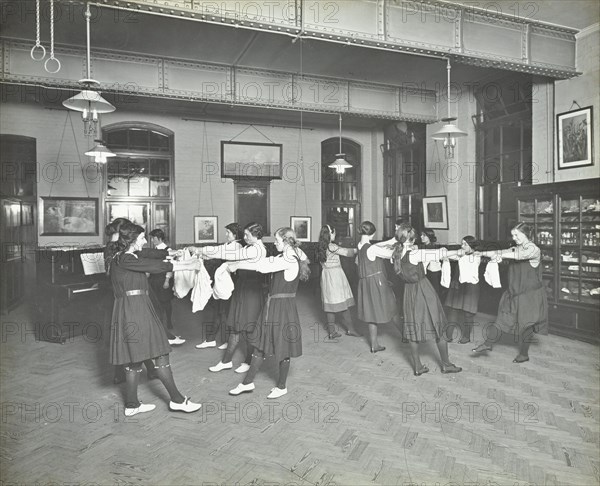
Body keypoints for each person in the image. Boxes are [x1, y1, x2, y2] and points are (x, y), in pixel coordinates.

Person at [106, 221, 203, 416]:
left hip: (132, 308)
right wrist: (187, 264)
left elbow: (151, 257)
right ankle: (177, 400)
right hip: (136, 309)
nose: (144, 241)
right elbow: (155, 265)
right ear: (132, 241)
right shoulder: (125, 258)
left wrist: (175, 256)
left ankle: (132, 405)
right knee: (160, 353)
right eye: (141, 238)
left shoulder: (124, 256)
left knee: (135, 359)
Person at [225, 227, 310, 398]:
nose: (275, 243)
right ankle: (247, 383)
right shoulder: (293, 254)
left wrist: (236, 264)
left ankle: (281, 386)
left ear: (286, 242)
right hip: (274, 305)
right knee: (260, 343)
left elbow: (261, 266)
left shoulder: (289, 259)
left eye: (278, 241)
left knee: (282, 346)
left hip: (282, 308)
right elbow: (298, 253)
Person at [192, 222, 267, 374]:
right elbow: (225, 252)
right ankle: (229, 361)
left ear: (256, 235)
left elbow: (231, 255)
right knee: (237, 326)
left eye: (247, 235)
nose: (244, 237)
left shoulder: (257, 249)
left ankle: (245, 361)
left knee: (248, 327)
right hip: (243, 288)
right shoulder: (250, 247)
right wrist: (202, 253)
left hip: (251, 291)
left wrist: (201, 249)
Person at [392, 224, 464, 376]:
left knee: (412, 329)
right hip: (423, 289)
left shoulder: (396, 253)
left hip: (409, 292)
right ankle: (446, 364)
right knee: (439, 325)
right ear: (412, 238)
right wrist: (459, 251)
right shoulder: (414, 254)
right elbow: (436, 254)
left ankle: (417, 366)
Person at [472, 222, 548, 363]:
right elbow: (503, 252)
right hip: (513, 293)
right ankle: (487, 344)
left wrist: (502, 254)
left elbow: (519, 256)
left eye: (517, 235)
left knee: (526, 325)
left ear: (526, 234)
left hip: (529, 296)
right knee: (501, 319)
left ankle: (524, 354)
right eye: (512, 235)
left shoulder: (534, 250)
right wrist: (480, 253)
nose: (514, 238)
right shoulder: (515, 248)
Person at [105, 218, 161, 384]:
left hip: (129, 292)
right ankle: (123, 374)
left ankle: (146, 371)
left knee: (132, 338)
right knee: (128, 338)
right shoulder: (114, 250)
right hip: (121, 294)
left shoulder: (123, 250)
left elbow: (146, 254)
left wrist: (168, 254)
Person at [191, 222, 244, 349]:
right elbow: (218, 251)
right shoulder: (228, 245)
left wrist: (201, 251)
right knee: (219, 311)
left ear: (235, 234)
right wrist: (201, 254)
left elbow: (219, 253)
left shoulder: (237, 246)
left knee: (226, 312)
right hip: (222, 281)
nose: (226, 235)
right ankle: (212, 339)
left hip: (231, 281)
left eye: (228, 232)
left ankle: (227, 340)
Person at [356, 221, 399, 353]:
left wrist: (393, 239)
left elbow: (377, 245)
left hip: (365, 283)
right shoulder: (372, 249)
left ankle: (374, 345)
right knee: (393, 307)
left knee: (371, 312)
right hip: (376, 281)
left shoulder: (360, 245)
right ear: (373, 233)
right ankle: (406, 336)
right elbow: (390, 254)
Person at [316, 224, 360, 339]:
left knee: (330, 305)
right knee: (343, 303)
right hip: (335, 276)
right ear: (329, 234)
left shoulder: (321, 246)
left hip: (326, 276)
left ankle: (331, 332)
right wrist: (360, 248)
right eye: (333, 232)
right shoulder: (332, 246)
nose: (335, 234)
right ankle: (351, 329)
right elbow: (348, 252)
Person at [148, 229, 185, 346]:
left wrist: (167, 280)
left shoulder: (168, 251)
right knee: (156, 302)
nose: (152, 240)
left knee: (165, 302)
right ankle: (161, 324)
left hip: (163, 279)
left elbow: (171, 267)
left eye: (154, 238)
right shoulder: (153, 251)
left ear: (159, 238)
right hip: (154, 279)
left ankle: (168, 322)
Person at [444, 236, 481, 344]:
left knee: (468, 313)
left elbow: (467, 261)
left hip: (470, 287)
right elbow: (449, 256)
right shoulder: (461, 254)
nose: (462, 246)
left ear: (472, 246)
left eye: (465, 244)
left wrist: (459, 254)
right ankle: (448, 335)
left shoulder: (476, 256)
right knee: (453, 310)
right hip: (457, 285)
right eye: (462, 244)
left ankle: (466, 336)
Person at [419, 228, 444, 297]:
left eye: (424, 235)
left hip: (433, 273)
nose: (421, 237)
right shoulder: (422, 247)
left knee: (433, 291)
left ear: (429, 236)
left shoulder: (433, 247)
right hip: (426, 272)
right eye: (421, 235)